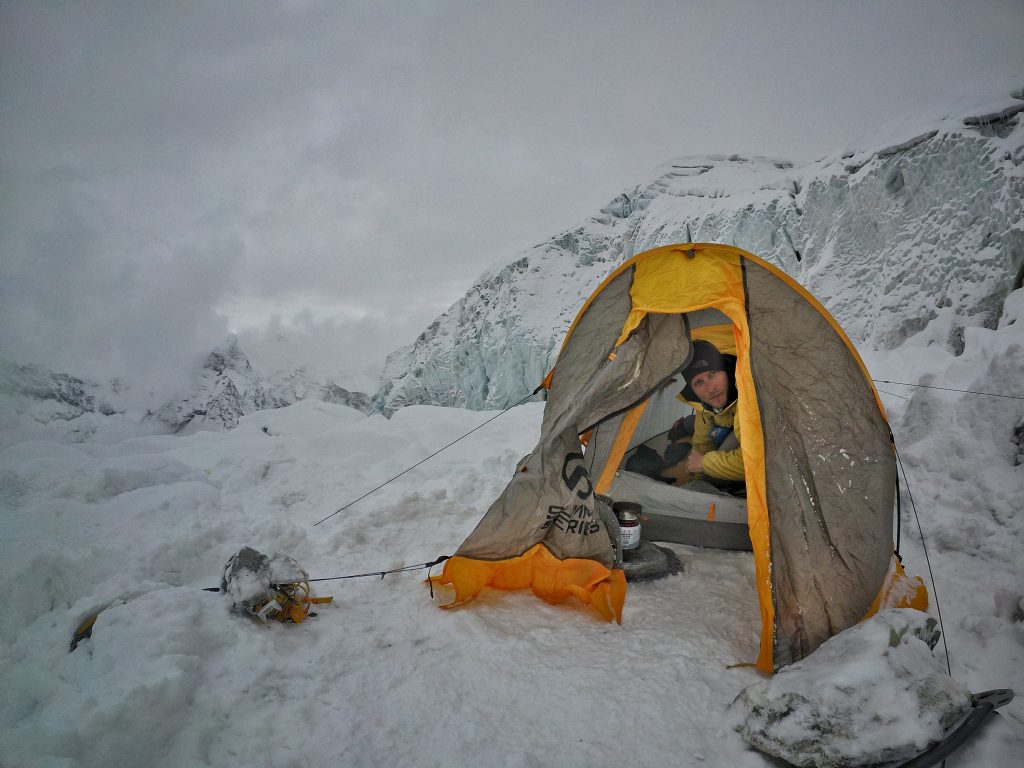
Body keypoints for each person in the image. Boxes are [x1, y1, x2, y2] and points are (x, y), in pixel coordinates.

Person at [663, 340, 745, 492]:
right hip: (726, 424)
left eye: (712, 374)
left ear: (726, 370)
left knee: (731, 441)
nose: (710, 388)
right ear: (692, 388)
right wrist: (693, 478)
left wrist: (704, 464)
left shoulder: (748, 395)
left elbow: (756, 461)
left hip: (742, 437)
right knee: (692, 423)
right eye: (699, 382)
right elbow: (701, 444)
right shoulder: (703, 404)